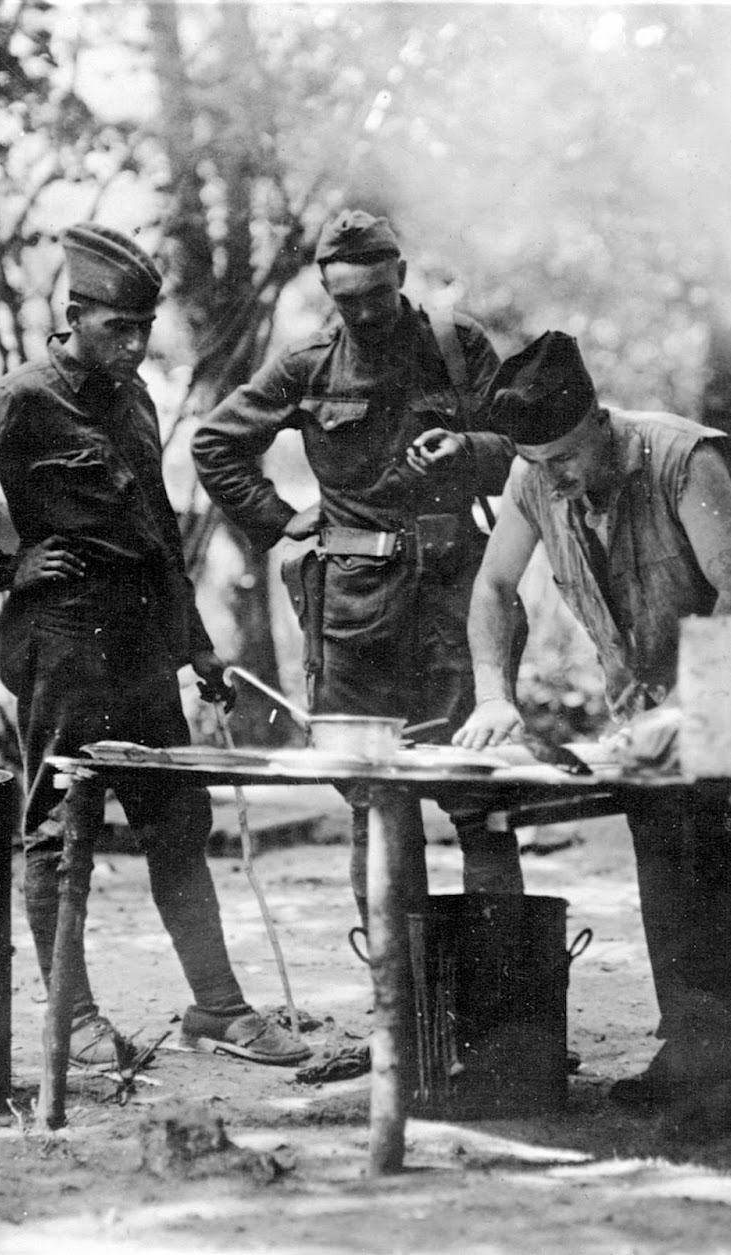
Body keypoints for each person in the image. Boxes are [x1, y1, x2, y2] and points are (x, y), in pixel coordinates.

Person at [0, 223, 309, 1069]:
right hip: (65, 645)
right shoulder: (21, 398)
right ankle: (75, 1018)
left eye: (142, 328)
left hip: (142, 649)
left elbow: (157, 532)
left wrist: (196, 646)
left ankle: (218, 1009)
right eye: (118, 328)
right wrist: (6, 568)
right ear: (75, 315)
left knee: (177, 821)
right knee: (59, 825)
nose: (134, 344)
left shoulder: (134, 402)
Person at [453, 331, 731, 1116]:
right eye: (540, 464)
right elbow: (492, 589)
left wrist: (685, 712)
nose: (557, 479)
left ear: (601, 423)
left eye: (568, 459)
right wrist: (491, 693)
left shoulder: (685, 458)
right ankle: (693, 1054)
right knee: (667, 876)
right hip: (649, 711)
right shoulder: (534, 476)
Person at [193, 209, 523, 919]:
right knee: (376, 800)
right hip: (354, 616)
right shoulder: (307, 364)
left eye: (378, 292)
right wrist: (281, 516)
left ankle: (500, 1005)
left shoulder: (455, 345)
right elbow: (215, 443)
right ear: (326, 292)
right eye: (349, 299)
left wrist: (468, 452)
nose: (367, 311)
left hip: (451, 606)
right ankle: (398, 1002)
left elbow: (522, 447)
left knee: (481, 797)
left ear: (400, 275)